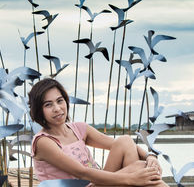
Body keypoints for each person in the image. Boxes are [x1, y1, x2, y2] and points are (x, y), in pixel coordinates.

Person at [28, 78, 168, 186]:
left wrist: (151, 157)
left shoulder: (78, 129)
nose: (57, 108)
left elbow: (124, 145)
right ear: (39, 110)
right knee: (139, 168)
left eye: (60, 101)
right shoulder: (43, 142)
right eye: (48, 105)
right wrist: (132, 179)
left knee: (125, 140)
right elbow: (82, 173)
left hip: (96, 184)